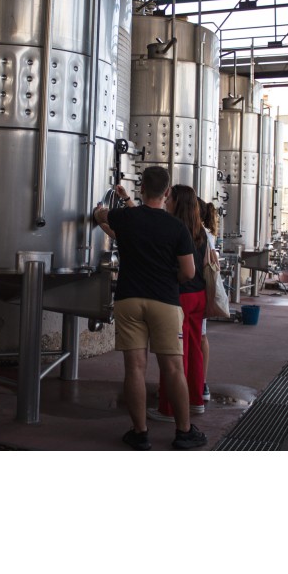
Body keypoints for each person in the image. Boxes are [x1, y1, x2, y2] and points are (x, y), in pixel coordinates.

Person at [92, 166, 207, 451]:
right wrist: (168, 278)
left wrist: (100, 211)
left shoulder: (125, 218)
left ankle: (140, 433)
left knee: (134, 368)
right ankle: (184, 432)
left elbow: (101, 217)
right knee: (173, 368)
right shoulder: (177, 227)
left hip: (129, 299)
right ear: (166, 193)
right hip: (165, 301)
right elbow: (189, 272)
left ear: (141, 188)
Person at [148, 185, 209, 421]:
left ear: (177, 203)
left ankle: (169, 408)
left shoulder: (173, 228)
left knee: (174, 354)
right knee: (194, 350)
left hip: (180, 296)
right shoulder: (200, 230)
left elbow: (183, 270)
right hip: (199, 296)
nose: (166, 201)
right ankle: (195, 400)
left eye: (169, 198)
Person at [198, 197, 220, 402]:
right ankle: (200, 382)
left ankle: (201, 382)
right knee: (200, 336)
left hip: (195, 291)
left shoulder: (202, 234)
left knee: (200, 337)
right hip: (197, 291)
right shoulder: (205, 233)